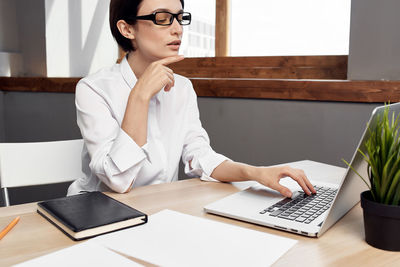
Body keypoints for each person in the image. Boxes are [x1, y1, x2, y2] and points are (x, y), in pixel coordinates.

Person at [67, 0, 316, 197]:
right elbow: (118, 182)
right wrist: (140, 96)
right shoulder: (93, 89)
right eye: (162, 18)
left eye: (179, 17)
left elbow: (200, 157)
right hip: (98, 213)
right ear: (127, 28)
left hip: (157, 210)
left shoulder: (182, 87)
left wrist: (255, 172)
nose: (177, 28)